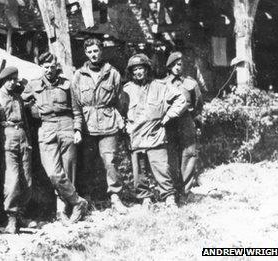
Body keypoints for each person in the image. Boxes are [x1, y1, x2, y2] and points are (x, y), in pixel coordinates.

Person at [23, 52, 88, 222]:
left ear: (56, 67)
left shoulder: (67, 84)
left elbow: (76, 111)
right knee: (53, 172)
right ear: (41, 67)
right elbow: (21, 102)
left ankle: (63, 210)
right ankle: (77, 201)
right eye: (46, 67)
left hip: (66, 126)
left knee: (68, 170)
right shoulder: (33, 85)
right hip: (46, 128)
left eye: (52, 66)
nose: (50, 70)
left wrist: (78, 130)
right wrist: (32, 109)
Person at [122, 53, 187, 206]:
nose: (138, 72)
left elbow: (181, 100)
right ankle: (145, 198)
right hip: (135, 136)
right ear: (131, 72)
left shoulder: (160, 86)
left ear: (147, 69)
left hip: (155, 134)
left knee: (161, 167)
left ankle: (169, 197)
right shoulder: (127, 89)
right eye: (135, 69)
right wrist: (125, 125)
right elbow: (120, 109)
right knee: (139, 171)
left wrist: (168, 116)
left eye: (141, 68)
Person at [71, 38, 127, 213]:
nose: (93, 55)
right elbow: (76, 106)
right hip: (88, 127)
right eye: (90, 52)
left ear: (101, 51)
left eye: (96, 51)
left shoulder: (113, 73)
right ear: (85, 54)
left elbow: (119, 100)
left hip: (108, 125)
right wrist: (78, 129)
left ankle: (115, 197)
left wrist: (119, 119)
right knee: (87, 164)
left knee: (110, 162)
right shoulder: (79, 76)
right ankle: (87, 198)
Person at [0, 66, 33, 233]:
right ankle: (11, 218)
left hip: (22, 137)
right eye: (9, 79)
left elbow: (26, 121)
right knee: (12, 179)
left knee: (27, 179)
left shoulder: (18, 97)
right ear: (3, 80)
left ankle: (21, 214)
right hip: (7, 137)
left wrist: (28, 140)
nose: (13, 82)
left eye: (15, 79)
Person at [164, 51, 203, 199]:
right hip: (169, 123)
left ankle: (186, 191)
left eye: (179, 64)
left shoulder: (191, 83)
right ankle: (174, 190)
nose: (177, 68)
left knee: (189, 154)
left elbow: (198, 104)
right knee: (171, 155)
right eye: (173, 65)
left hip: (186, 121)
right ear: (169, 67)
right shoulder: (163, 84)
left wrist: (194, 120)